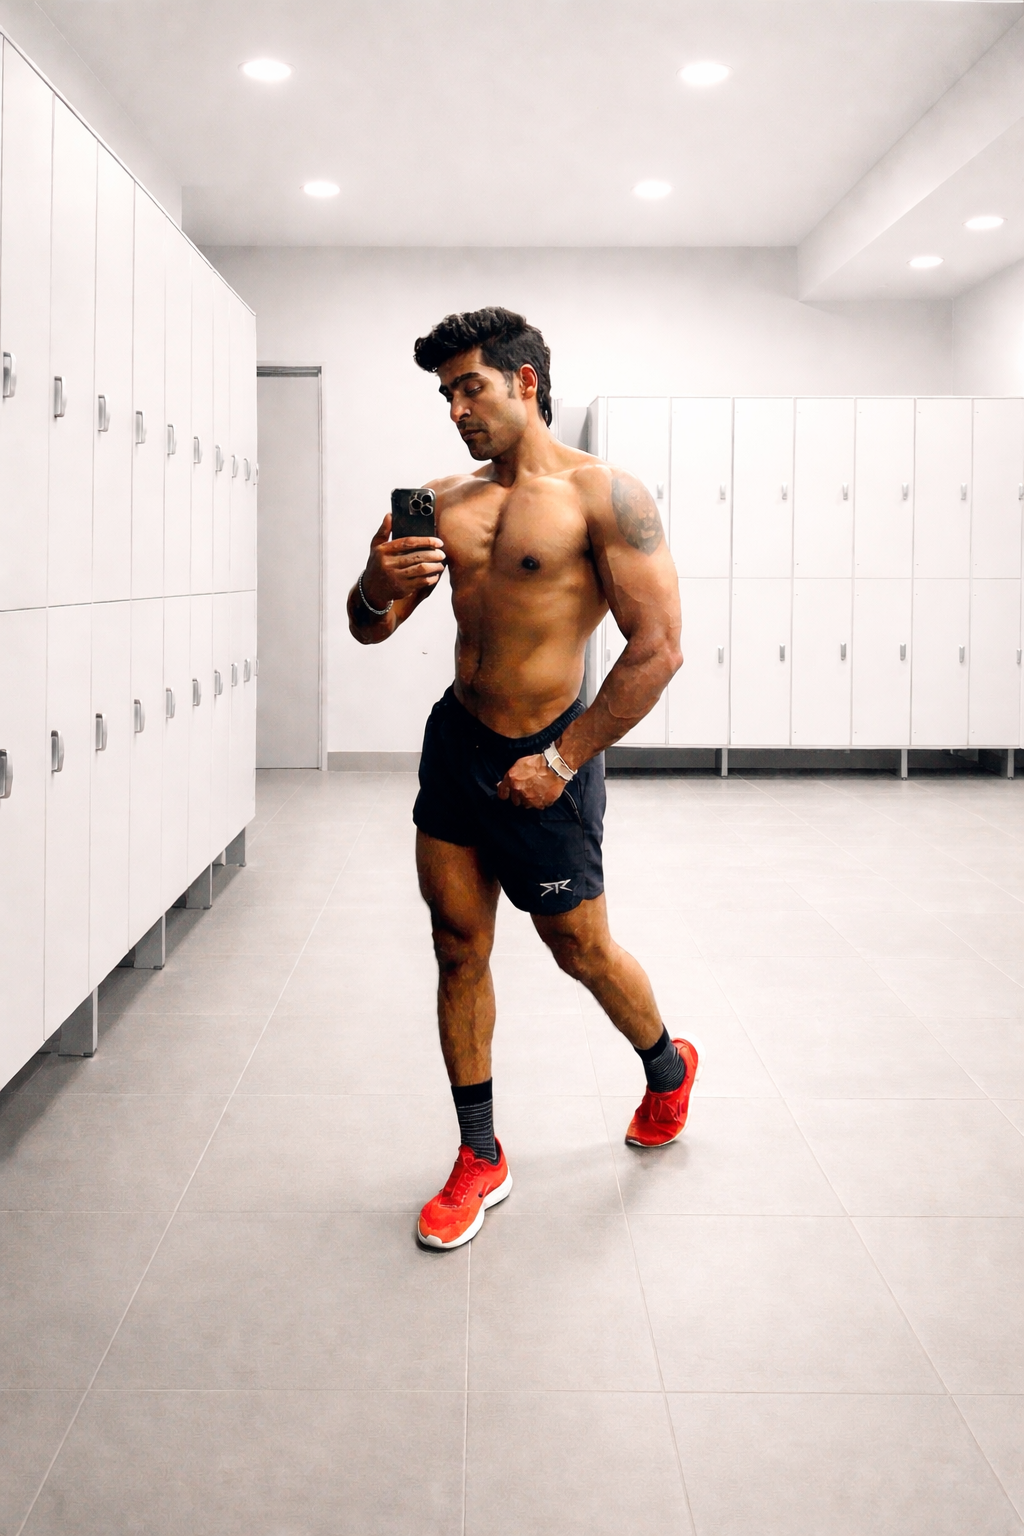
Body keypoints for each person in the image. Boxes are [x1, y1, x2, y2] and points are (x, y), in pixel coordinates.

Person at [347, 306, 700, 1250]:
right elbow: (367, 626)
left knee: (580, 950)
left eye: (472, 387)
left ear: (526, 382)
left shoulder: (605, 496)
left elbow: (659, 650)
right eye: (445, 394)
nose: (457, 409)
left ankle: (667, 1067)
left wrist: (562, 760)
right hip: (455, 747)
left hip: (550, 754)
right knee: (458, 947)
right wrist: (377, 586)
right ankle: (478, 1154)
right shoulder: (435, 500)